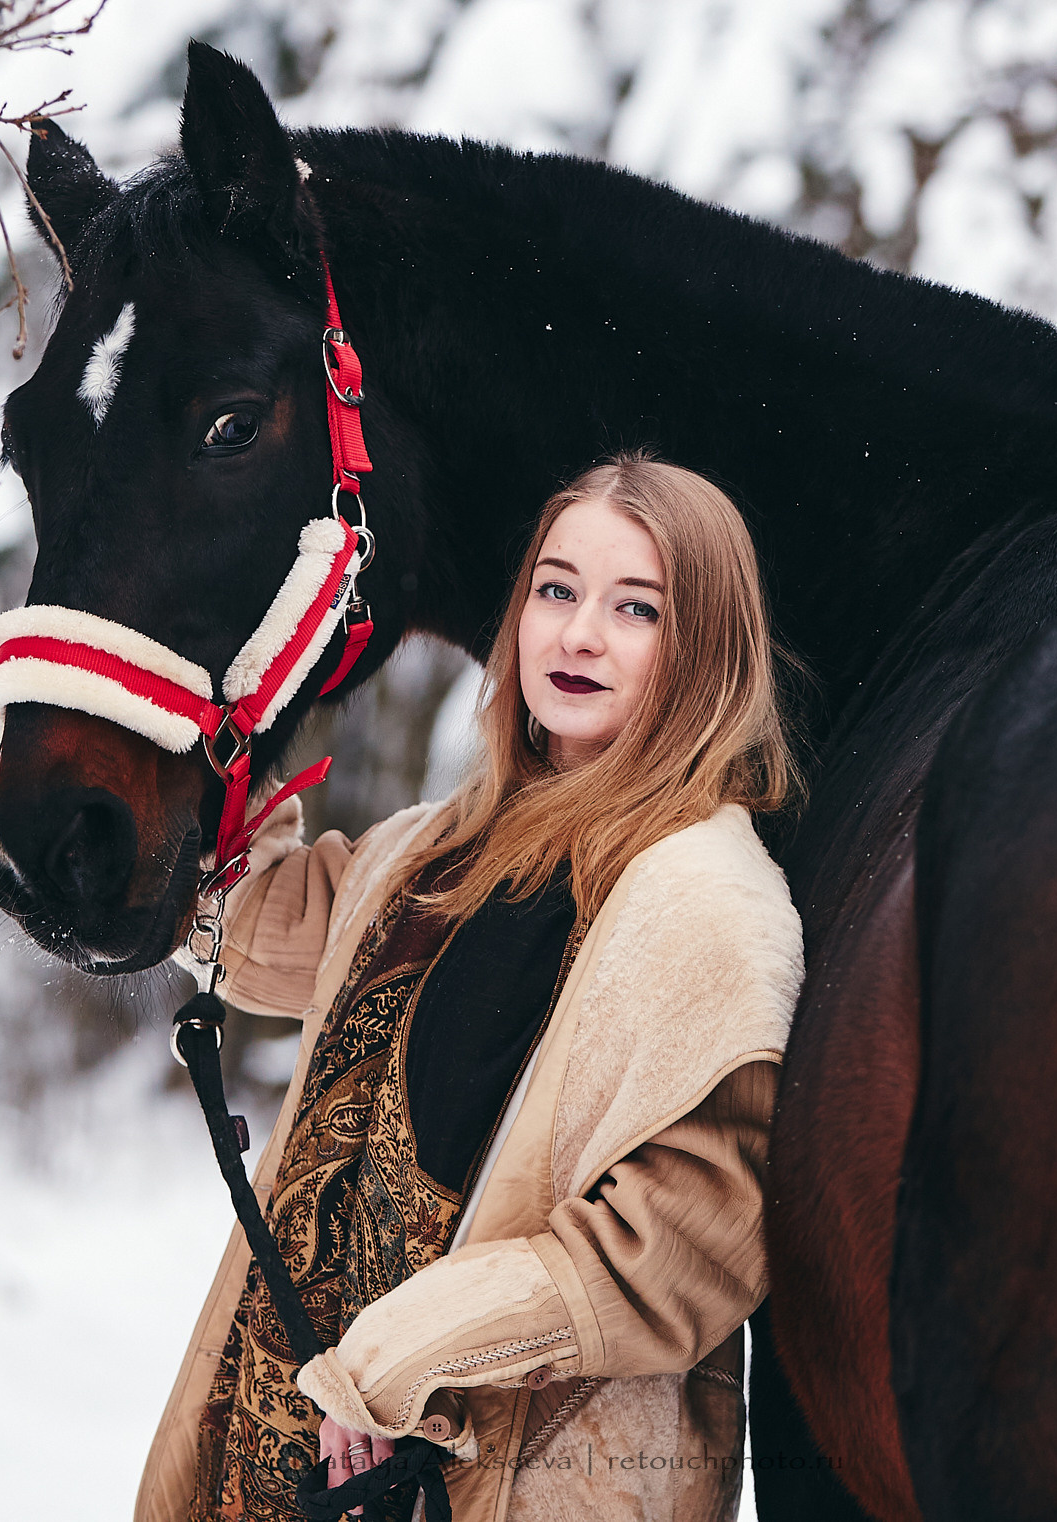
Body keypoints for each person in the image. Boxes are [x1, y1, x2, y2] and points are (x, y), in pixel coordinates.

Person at [138, 453, 804, 1522]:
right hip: (295, 1449)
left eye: (636, 607)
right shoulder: (440, 844)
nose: (579, 631)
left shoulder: (709, 899)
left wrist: (406, 1352)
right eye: (557, 588)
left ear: (707, 643)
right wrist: (150, 704)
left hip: (509, 1476)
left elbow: (679, 1248)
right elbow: (251, 921)